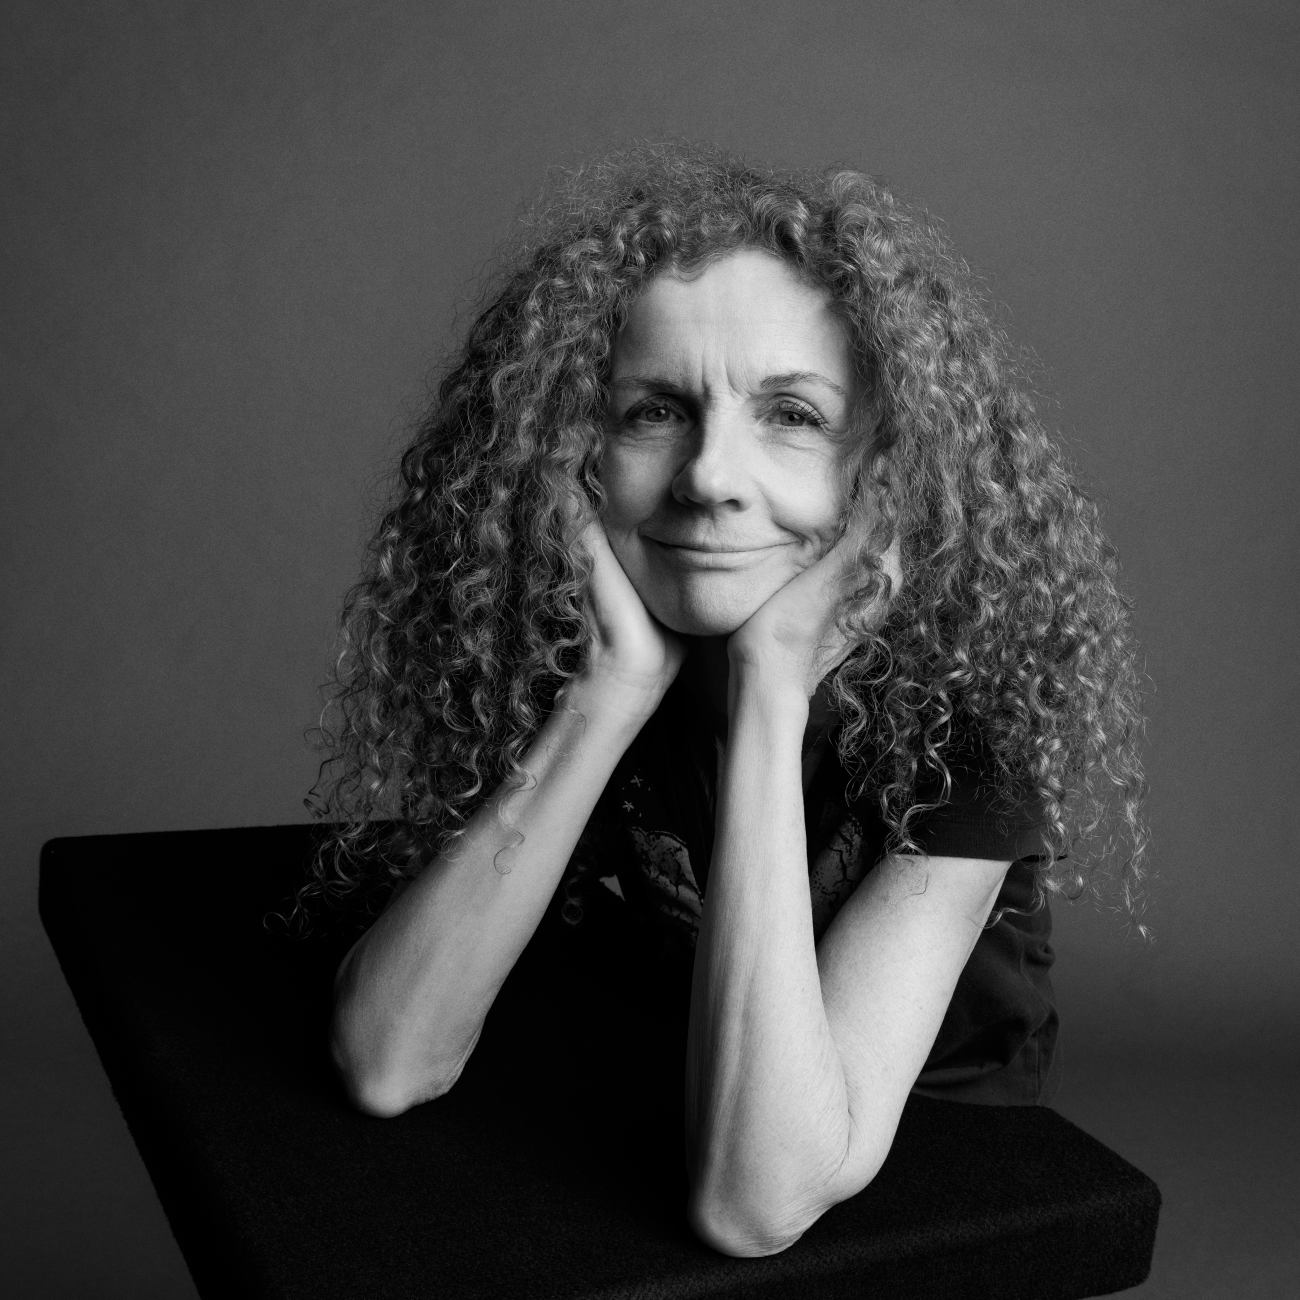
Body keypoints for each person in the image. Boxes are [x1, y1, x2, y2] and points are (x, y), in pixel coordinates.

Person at [298, 143, 1147, 1258]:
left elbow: (753, 1205)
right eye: (654, 411)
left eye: (791, 413)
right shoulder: (595, 649)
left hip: (927, 1154)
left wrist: (770, 691)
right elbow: (387, 1061)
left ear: (885, 475)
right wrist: (611, 692)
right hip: (690, 1061)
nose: (707, 477)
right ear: (573, 455)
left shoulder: (966, 725)